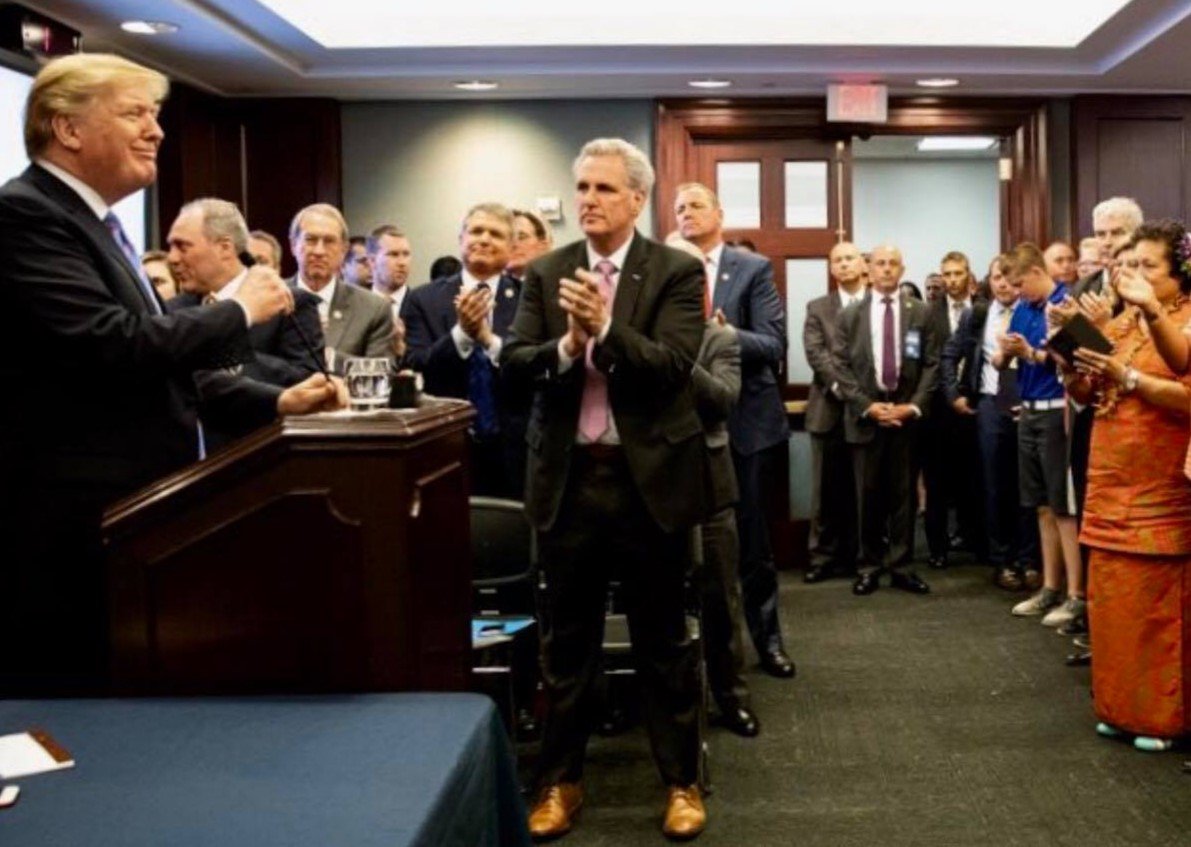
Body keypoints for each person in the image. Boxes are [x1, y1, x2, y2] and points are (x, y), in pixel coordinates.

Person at [0, 54, 342, 695]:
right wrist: (238, 310)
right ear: (68, 129)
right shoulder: (26, 214)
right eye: (135, 114)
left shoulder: (96, 226)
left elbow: (163, 372)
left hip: (132, 520)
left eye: (155, 115)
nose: (156, 130)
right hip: (71, 532)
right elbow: (112, 345)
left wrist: (278, 403)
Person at [503, 138, 710, 840]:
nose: (587, 200)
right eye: (582, 187)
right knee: (566, 645)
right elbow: (516, 364)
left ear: (637, 199)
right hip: (568, 484)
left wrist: (606, 330)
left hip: (647, 483)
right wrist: (568, 345)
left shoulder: (675, 270)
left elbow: (672, 366)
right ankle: (559, 782)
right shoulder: (547, 270)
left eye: (603, 188)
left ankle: (681, 781)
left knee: (662, 642)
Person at [1057, 220, 1191, 752]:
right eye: (1130, 264)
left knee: (1155, 605)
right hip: (1110, 481)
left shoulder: (1182, 319)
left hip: (1160, 485)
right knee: (1113, 604)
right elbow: (1087, 391)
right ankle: (1119, 707)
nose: (1134, 274)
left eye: (1148, 266)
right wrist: (1074, 345)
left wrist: (1129, 377)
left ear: (1180, 275)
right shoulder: (1125, 320)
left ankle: (1161, 718)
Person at [673, 181, 794, 678]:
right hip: (684, 430)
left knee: (752, 543)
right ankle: (704, 653)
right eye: (679, 208)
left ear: (719, 214)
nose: (686, 213)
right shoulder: (663, 267)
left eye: (696, 205)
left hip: (746, 424)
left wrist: (726, 334)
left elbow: (774, 344)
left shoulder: (751, 268)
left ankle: (768, 641)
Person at [669, 234, 757, 738]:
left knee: (721, 598)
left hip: (709, 485)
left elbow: (722, 399)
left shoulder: (719, 338)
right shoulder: (632, 337)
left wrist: (676, 356)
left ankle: (732, 697)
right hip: (653, 486)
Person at [165, 197, 328, 449]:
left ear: (224, 248)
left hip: (263, 453)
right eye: (171, 247)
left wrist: (224, 358)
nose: (172, 258)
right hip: (189, 459)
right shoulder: (173, 310)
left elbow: (309, 381)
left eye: (182, 246)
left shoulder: (288, 302)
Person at [832, 244, 938, 596]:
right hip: (866, 418)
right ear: (869, 269)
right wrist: (867, 406)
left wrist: (913, 406)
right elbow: (840, 366)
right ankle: (869, 566)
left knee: (904, 498)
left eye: (894, 263)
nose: (887, 269)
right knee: (867, 498)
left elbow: (931, 364)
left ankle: (902, 566)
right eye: (880, 263)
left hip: (906, 417)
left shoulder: (920, 312)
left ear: (902, 269)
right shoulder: (850, 315)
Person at [404, 203, 524, 498]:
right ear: (461, 240)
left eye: (495, 234)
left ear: (511, 247)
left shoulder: (528, 298)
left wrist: (488, 340)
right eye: (476, 231)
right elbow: (415, 365)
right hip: (443, 444)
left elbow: (534, 367)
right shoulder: (423, 299)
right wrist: (461, 335)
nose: (484, 239)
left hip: (514, 448)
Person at [995, 244, 1084, 627]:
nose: (1016, 291)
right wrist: (1005, 353)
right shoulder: (1024, 308)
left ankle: (1076, 594)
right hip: (1029, 410)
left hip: (1057, 411)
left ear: (1035, 272)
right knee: (1041, 506)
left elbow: (1076, 359)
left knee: (1063, 506)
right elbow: (1008, 358)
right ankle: (1050, 586)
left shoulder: (1064, 303)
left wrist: (1031, 353)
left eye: (1020, 284)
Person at [941, 255, 1040, 591]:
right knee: (994, 485)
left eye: (1009, 277)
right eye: (997, 277)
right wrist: (954, 394)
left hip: (1029, 404)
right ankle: (1001, 560)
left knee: (1028, 486)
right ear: (988, 280)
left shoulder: (1033, 311)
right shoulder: (978, 314)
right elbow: (949, 355)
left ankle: (1029, 559)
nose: (1003, 283)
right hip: (990, 406)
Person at [803, 241, 865, 583]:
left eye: (849, 258)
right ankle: (822, 558)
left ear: (862, 264)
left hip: (867, 411)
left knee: (863, 490)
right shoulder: (818, 308)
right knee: (825, 492)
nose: (843, 264)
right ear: (831, 268)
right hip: (829, 407)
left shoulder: (876, 305)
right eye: (837, 260)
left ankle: (862, 556)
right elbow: (816, 354)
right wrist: (845, 389)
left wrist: (864, 397)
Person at [923, 251, 983, 569]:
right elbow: (919, 358)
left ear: (968, 275)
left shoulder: (984, 309)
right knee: (937, 481)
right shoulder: (928, 312)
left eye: (958, 273)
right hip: (938, 409)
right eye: (946, 274)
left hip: (976, 404)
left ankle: (975, 539)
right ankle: (937, 547)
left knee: (974, 477)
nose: (952, 280)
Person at [288, 203, 394, 367]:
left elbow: (381, 371)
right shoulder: (269, 300)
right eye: (310, 240)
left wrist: (329, 358)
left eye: (329, 241)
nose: (319, 251)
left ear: (344, 250)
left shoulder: (373, 309)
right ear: (293, 245)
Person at [366, 224, 412, 360]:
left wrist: (402, 350)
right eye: (393, 254)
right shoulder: (356, 306)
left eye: (406, 254)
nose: (402, 262)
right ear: (372, 261)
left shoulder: (423, 306)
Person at [508, 208, 553, 280]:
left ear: (543, 245)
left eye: (521, 237)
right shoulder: (491, 284)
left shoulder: (560, 282)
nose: (513, 245)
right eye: (508, 238)